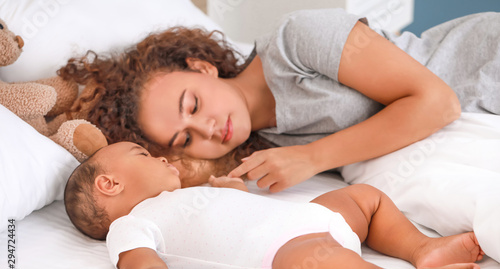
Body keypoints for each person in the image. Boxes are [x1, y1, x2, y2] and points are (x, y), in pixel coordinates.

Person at [58, 9, 500, 191]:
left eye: (191, 106)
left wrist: (312, 158)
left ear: (202, 66)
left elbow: (438, 102)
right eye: (185, 139)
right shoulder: (261, 147)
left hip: (483, 62)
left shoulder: (296, 41)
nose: (206, 129)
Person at [64, 141, 483, 269]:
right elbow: (147, 268)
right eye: (143, 155)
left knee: (365, 198)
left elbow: (236, 212)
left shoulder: (192, 192)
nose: (159, 156)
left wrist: (231, 192)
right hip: (286, 252)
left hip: (310, 216)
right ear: (109, 186)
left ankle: (421, 248)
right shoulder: (131, 224)